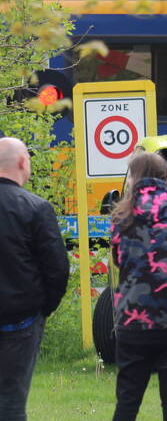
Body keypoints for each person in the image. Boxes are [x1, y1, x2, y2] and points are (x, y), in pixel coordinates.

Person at [110, 152, 167, 421]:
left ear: (134, 179)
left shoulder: (120, 218)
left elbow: (118, 261)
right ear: (165, 176)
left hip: (132, 321)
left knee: (127, 400)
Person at [0, 137, 70, 421]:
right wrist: (42, 310)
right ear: (22, 162)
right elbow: (57, 269)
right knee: (12, 402)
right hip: (21, 320)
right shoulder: (36, 208)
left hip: (23, 317)